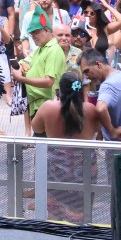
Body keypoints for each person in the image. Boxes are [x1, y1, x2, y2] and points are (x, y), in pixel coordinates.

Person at [31, 72, 100, 221]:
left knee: (54, 209)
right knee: (83, 209)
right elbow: (97, 130)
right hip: (85, 165)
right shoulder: (90, 109)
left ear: (60, 90)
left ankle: (55, 238)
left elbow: (36, 128)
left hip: (56, 167)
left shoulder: (48, 107)